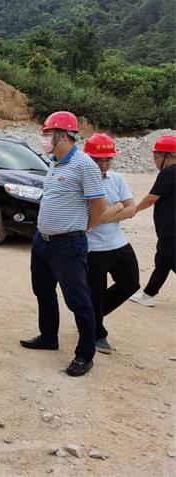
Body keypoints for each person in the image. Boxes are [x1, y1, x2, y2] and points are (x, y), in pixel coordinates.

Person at [20, 111, 106, 377]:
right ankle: (48, 337)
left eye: (48, 134)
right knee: (43, 290)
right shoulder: (55, 162)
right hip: (42, 242)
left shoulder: (84, 165)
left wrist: (84, 227)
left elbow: (99, 204)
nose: (44, 139)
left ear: (64, 135)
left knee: (78, 300)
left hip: (67, 245)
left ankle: (85, 355)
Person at [83, 134, 139, 354]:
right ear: (88, 158)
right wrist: (117, 207)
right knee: (96, 292)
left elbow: (131, 209)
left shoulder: (117, 179)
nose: (104, 165)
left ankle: (88, 316)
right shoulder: (81, 182)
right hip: (93, 249)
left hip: (118, 243)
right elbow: (87, 219)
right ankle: (97, 332)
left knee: (130, 283)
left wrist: (105, 214)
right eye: (98, 160)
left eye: (108, 159)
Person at [129, 135, 176, 307]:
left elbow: (152, 198)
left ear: (167, 157)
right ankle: (148, 294)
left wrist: (134, 209)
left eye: (156, 157)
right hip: (170, 230)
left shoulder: (168, 173)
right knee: (162, 262)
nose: (155, 161)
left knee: (169, 259)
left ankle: (148, 294)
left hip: (170, 229)